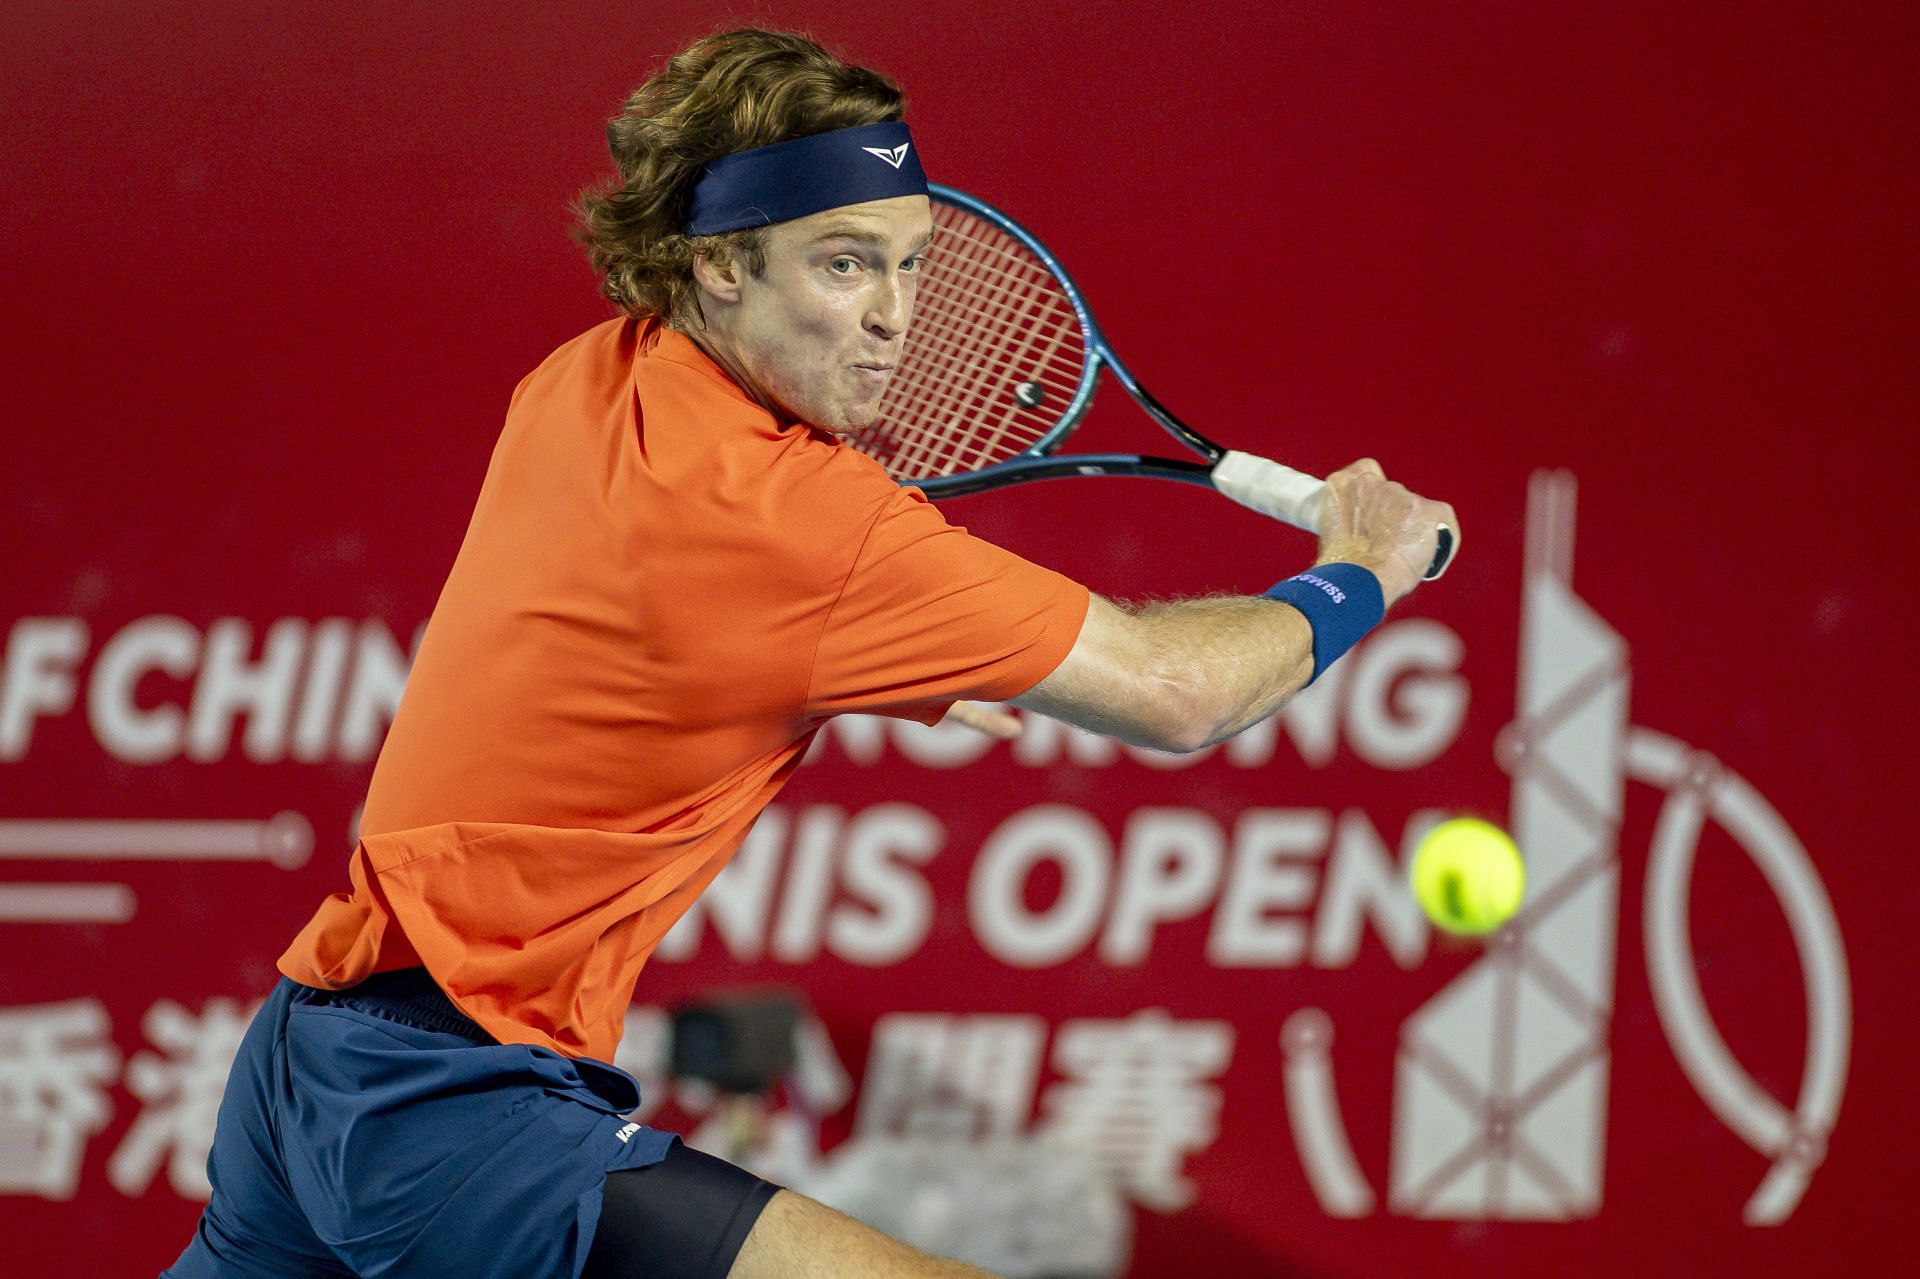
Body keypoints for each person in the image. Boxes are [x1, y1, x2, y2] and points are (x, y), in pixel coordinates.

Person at [163, 27, 1455, 1279]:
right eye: (845, 265)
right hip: (453, 1106)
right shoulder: (810, 528)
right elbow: (1181, 696)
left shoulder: (588, 376)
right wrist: (1359, 570)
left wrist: (884, 660)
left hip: (304, 1061)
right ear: (721, 264)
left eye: (910, 263)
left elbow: (645, 624)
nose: (895, 315)